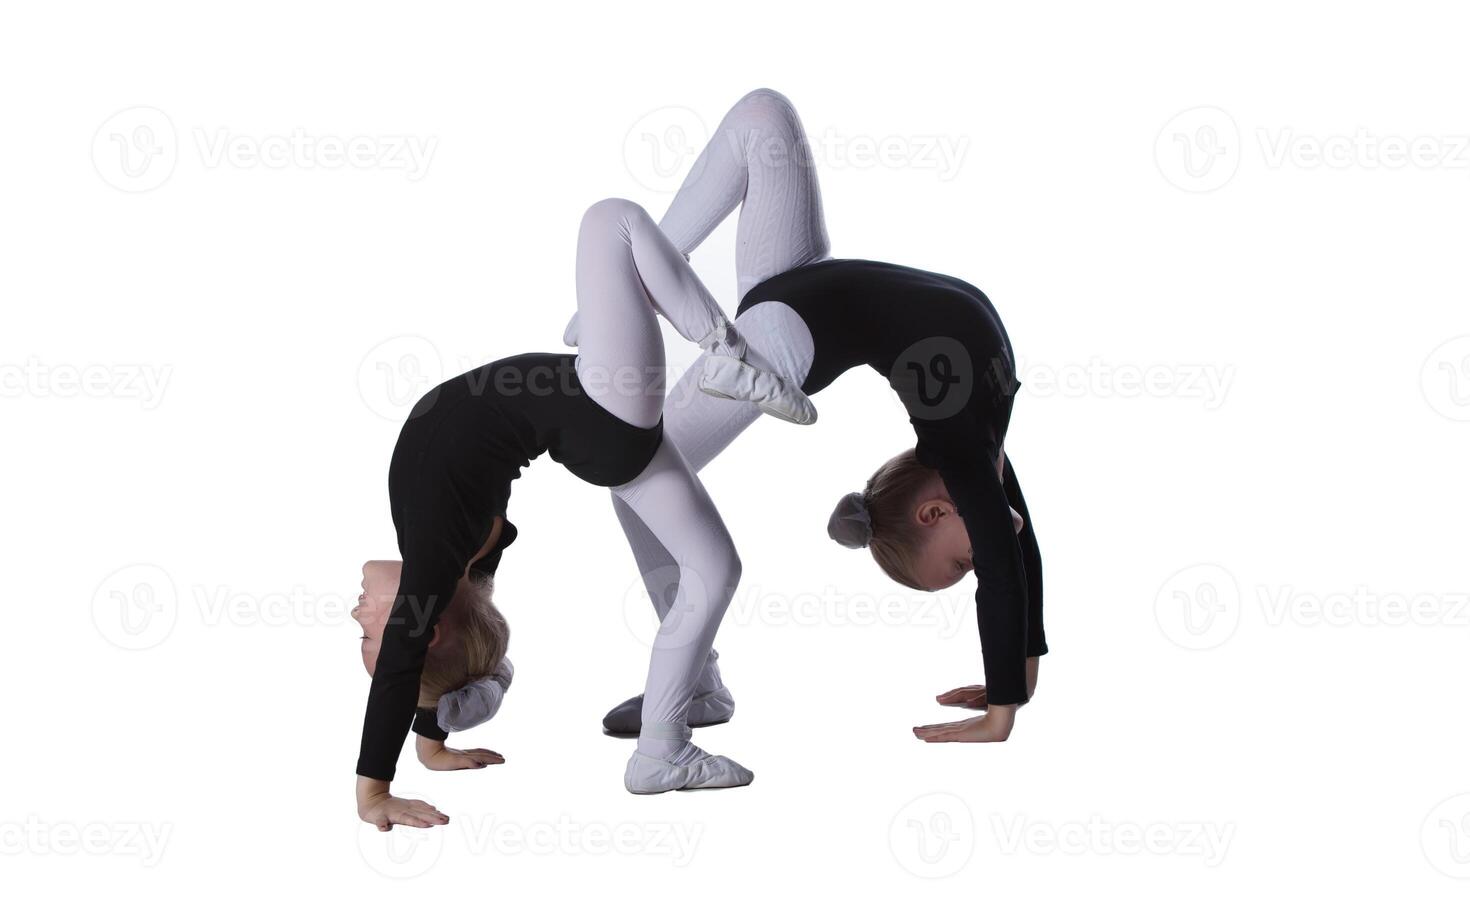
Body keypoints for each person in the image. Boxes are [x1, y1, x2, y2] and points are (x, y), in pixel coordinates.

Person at [591, 89, 1047, 747]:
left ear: (936, 513)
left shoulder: (967, 449)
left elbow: (1010, 557)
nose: (983, 561)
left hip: (792, 321)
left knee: (633, 469)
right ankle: (652, 264)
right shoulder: (970, 449)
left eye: (964, 564)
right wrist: (1009, 700)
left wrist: (1013, 687)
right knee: (762, 116)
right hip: (795, 294)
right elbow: (1013, 556)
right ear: (936, 513)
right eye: (967, 566)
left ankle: (695, 679)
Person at [353, 195, 814, 830]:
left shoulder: (468, 565)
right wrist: (374, 793)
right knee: (611, 221)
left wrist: (434, 743)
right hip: (605, 406)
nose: (356, 612)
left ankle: (664, 748)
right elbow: (408, 665)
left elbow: (426, 662)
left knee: (715, 568)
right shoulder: (437, 555)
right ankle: (725, 350)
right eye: (367, 631)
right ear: (424, 624)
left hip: (608, 438)